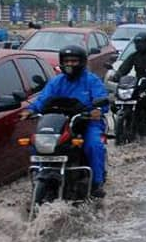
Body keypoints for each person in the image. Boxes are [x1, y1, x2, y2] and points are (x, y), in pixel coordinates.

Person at [20, 45, 108, 198]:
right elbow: (42, 99)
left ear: (82, 62)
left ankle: (96, 184)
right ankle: (39, 176)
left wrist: (97, 110)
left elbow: (102, 100)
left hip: (86, 122)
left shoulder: (91, 80)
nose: (70, 65)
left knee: (94, 145)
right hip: (59, 123)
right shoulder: (56, 82)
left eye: (74, 61)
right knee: (37, 145)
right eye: (67, 61)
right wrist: (30, 110)